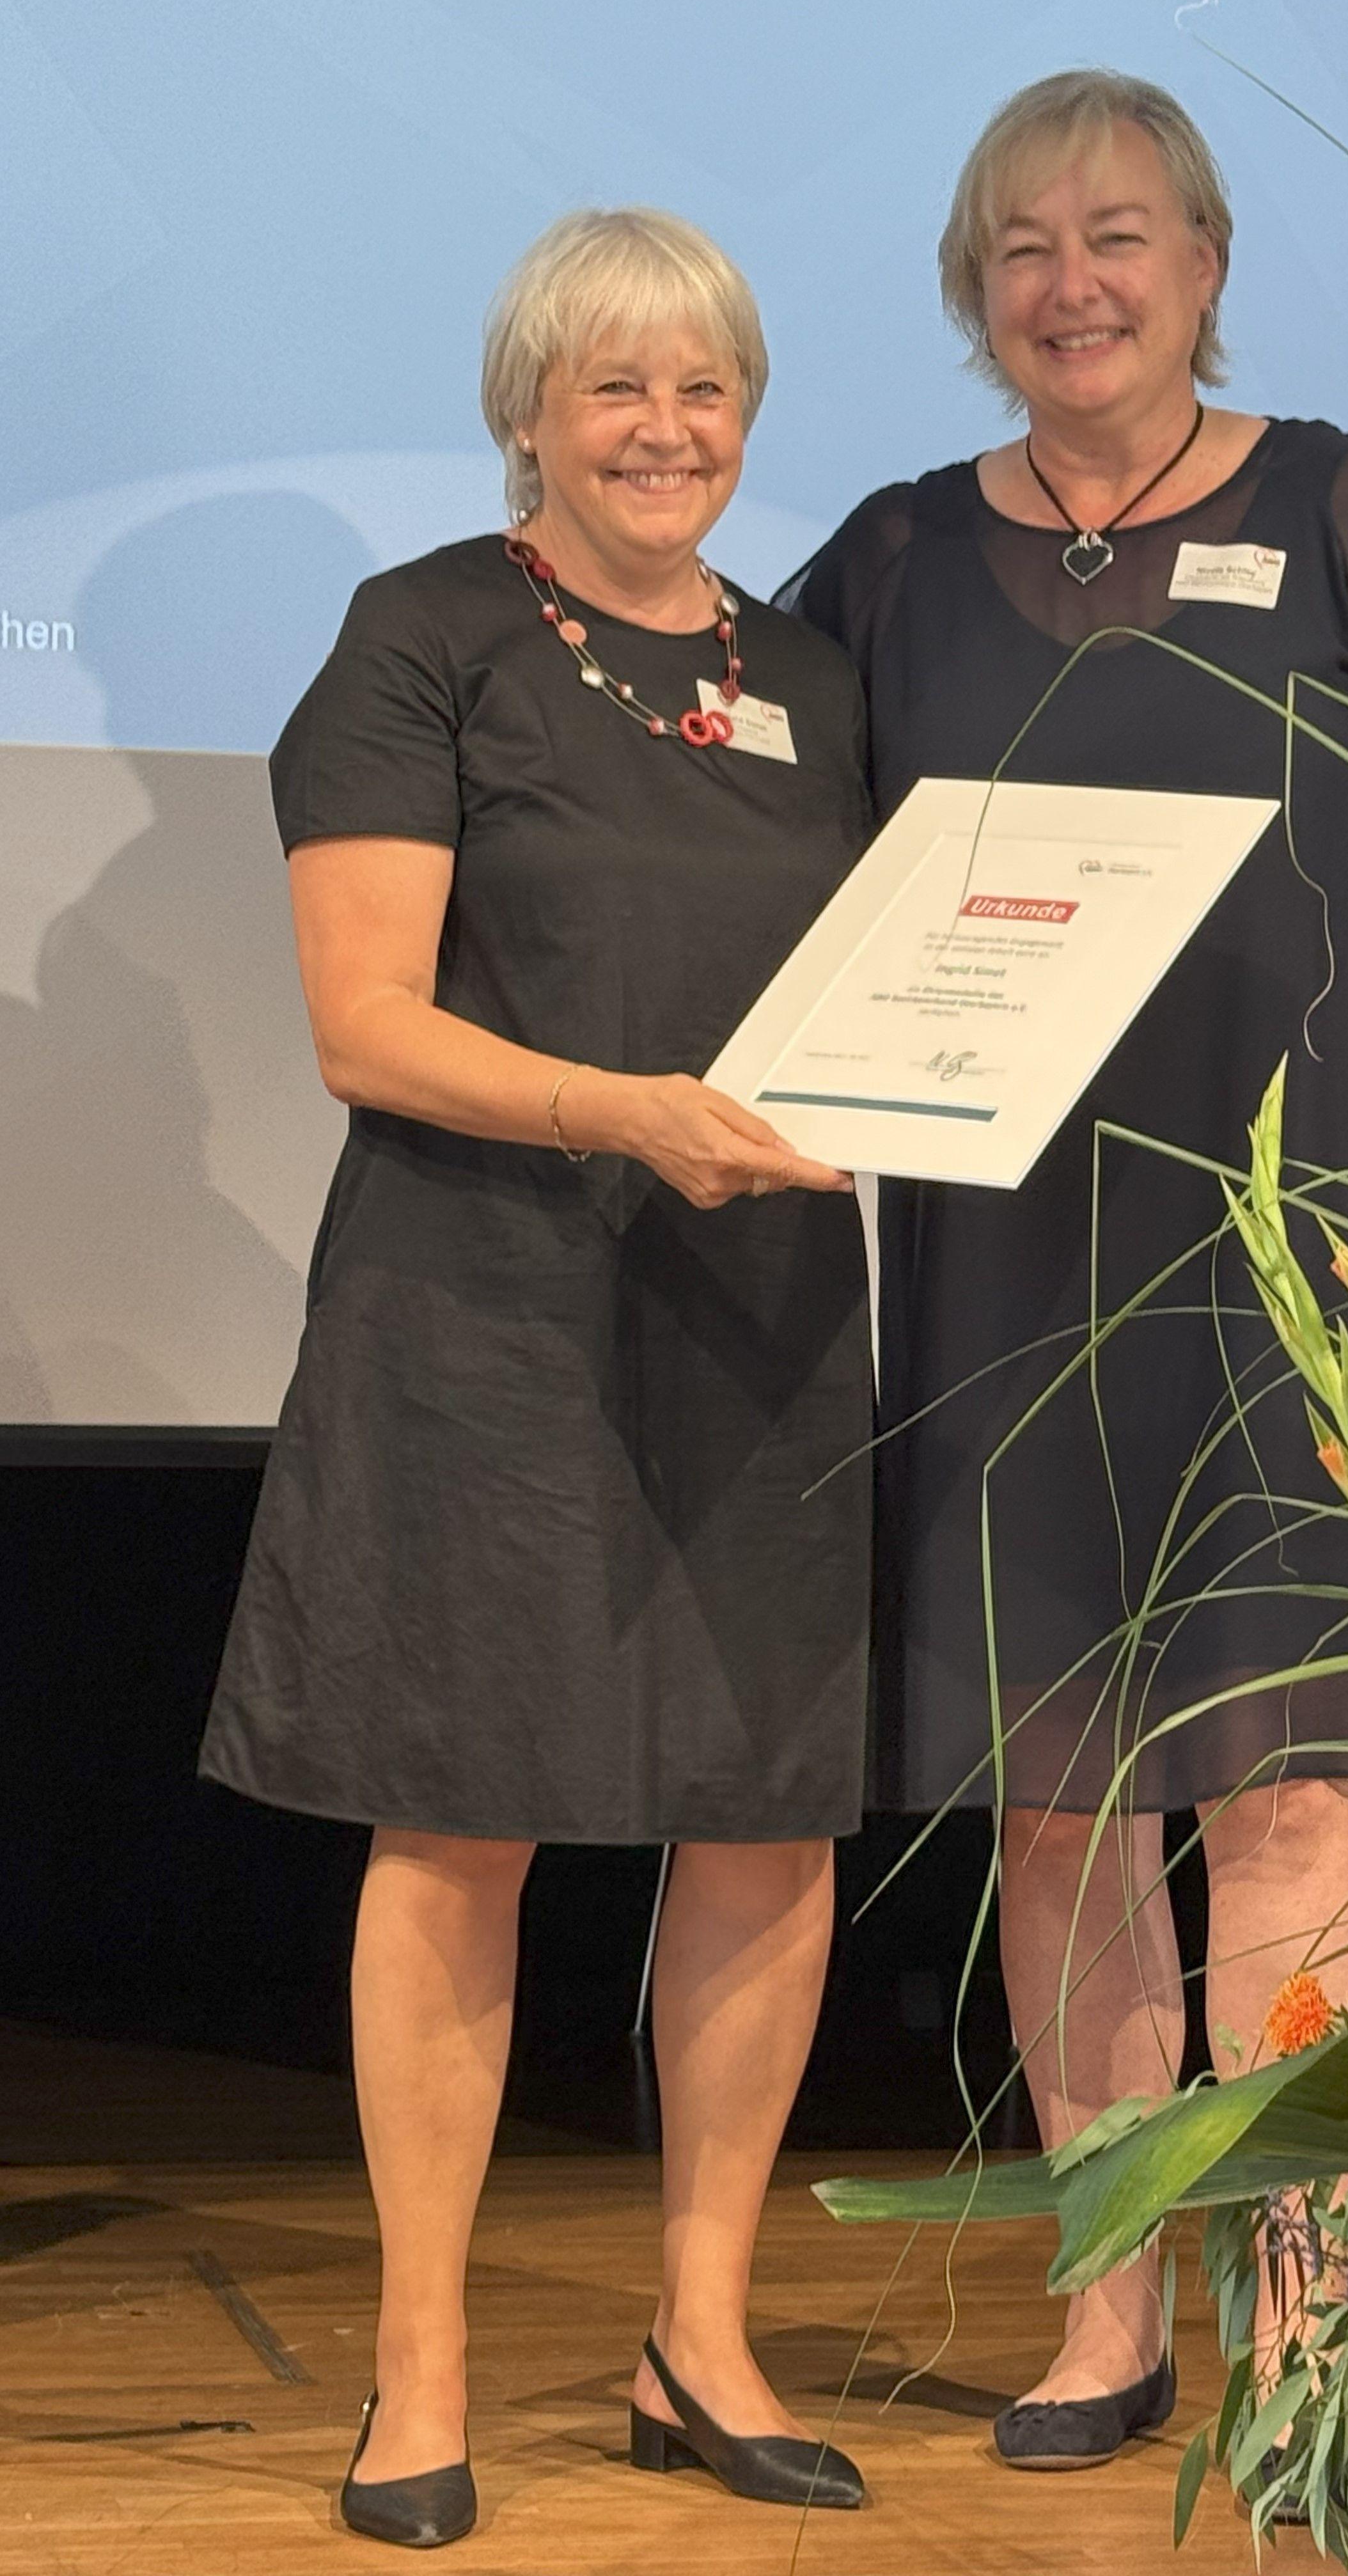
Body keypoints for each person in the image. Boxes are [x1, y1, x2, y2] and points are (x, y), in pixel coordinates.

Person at [783, 70, 1348, 2468]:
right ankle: (1109, 2315)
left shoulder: (1344, 506)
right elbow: (759, 860)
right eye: (1022, 246)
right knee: (1055, 1807)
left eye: (1119, 236)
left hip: (1294, 1269)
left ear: (1203, 264)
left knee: (1297, 1802)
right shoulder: (892, 555)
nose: (1074, 283)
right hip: (1003, 1276)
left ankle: (1314, 2333)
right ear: (971, 289)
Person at [200, 208, 872, 2542]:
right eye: (615, 387)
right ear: (528, 415)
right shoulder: (426, 637)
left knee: (768, 1818)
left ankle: (703, 2337)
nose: (666, 429)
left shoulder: (816, 676)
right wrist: (620, 1111)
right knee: (458, 1819)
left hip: (762, 1314)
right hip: (480, 1314)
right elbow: (362, 1023)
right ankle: (418, 2374)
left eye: (706, 386)